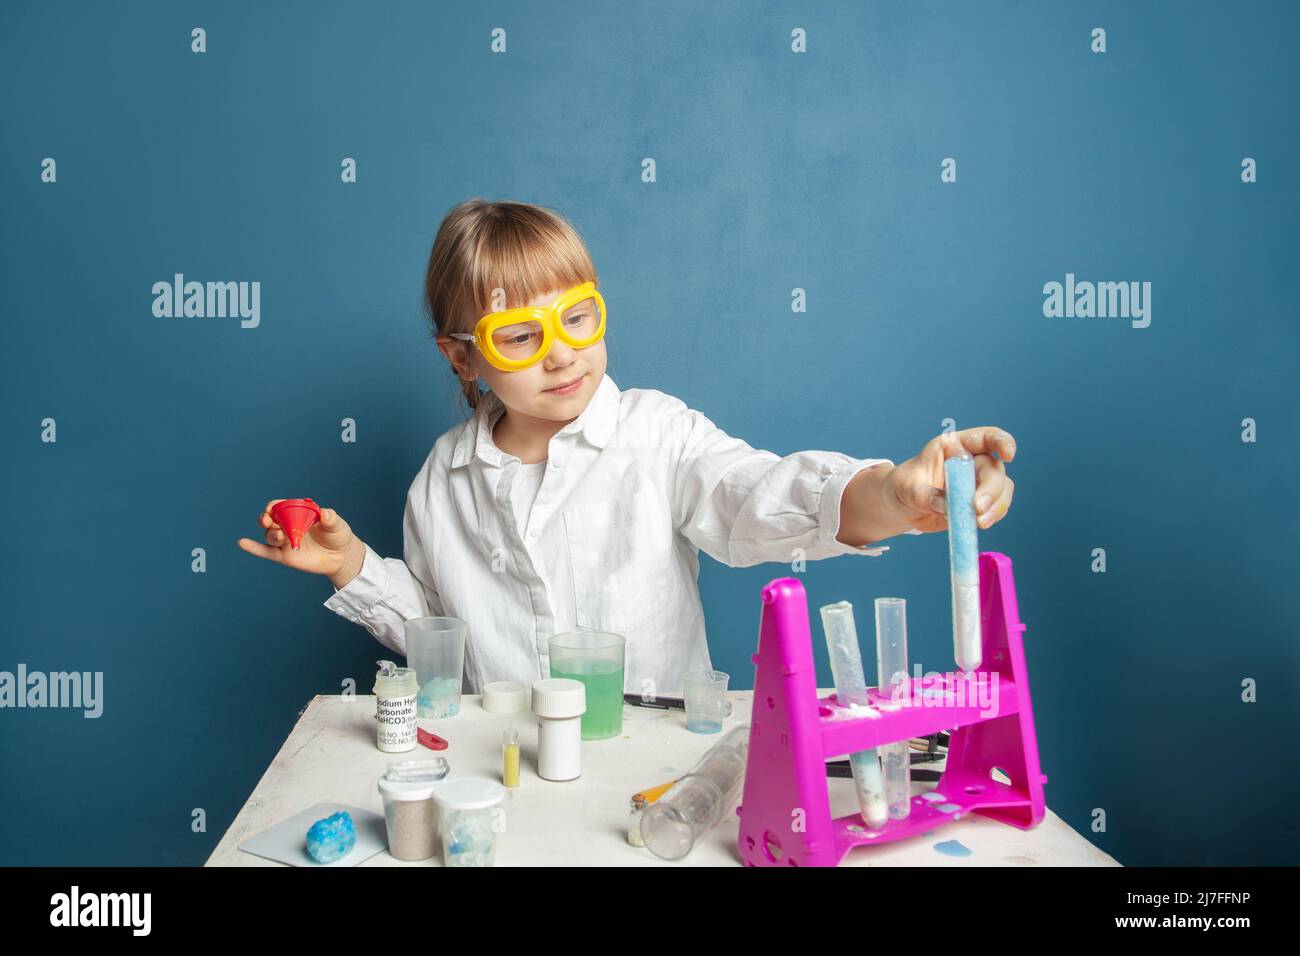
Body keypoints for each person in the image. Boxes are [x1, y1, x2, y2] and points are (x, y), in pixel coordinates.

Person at [237, 199, 1016, 695]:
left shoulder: (656, 432)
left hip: (657, 760)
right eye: (519, 337)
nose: (561, 354)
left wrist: (890, 494)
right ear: (461, 356)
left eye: (577, 317)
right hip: (509, 769)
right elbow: (437, 632)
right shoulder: (442, 480)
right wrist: (350, 567)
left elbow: (756, 496)